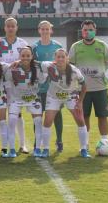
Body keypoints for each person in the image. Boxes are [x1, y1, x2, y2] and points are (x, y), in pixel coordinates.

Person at [68, 19, 108, 150]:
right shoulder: (75, 47)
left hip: (101, 88)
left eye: (90, 30)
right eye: (85, 30)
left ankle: (105, 142)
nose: (88, 32)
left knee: (103, 116)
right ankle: (85, 143)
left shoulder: (102, 46)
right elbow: (69, 67)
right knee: (84, 117)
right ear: (81, 32)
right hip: (82, 90)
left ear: (95, 31)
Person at [40, 49, 90, 158]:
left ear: (67, 58)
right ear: (55, 58)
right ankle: (46, 149)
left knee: (80, 120)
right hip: (54, 97)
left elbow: (84, 85)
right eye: (58, 57)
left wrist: (80, 102)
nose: (61, 59)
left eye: (63, 57)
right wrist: (17, 62)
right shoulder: (48, 66)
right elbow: (33, 63)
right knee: (47, 121)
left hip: (70, 96)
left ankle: (84, 149)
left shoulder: (74, 71)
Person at [0, 17, 29, 154]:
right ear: (5, 28)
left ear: (17, 27)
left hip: (18, 84)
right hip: (1, 83)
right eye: (8, 26)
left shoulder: (23, 43)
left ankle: (22, 144)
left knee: (18, 114)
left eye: (13, 26)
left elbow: (27, 60)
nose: (10, 28)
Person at [4, 46, 46, 158]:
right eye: (23, 56)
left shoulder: (37, 67)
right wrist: (9, 97)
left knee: (38, 122)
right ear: (19, 57)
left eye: (28, 56)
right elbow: (7, 80)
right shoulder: (13, 68)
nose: (25, 58)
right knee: (12, 120)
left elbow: (42, 80)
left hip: (33, 99)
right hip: (16, 99)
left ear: (32, 56)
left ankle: (38, 149)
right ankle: (11, 149)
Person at [32, 21, 64, 152]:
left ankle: (59, 140)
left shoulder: (58, 46)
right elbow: (31, 62)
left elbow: (62, 62)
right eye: (42, 29)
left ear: (51, 30)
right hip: (39, 86)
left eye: (47, 29)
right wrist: (44, 65)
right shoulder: (34, 47)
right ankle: (37, 141)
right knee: (38, 114)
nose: (45, 31)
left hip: (55, 86)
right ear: (39, 30)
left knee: (57, 114)